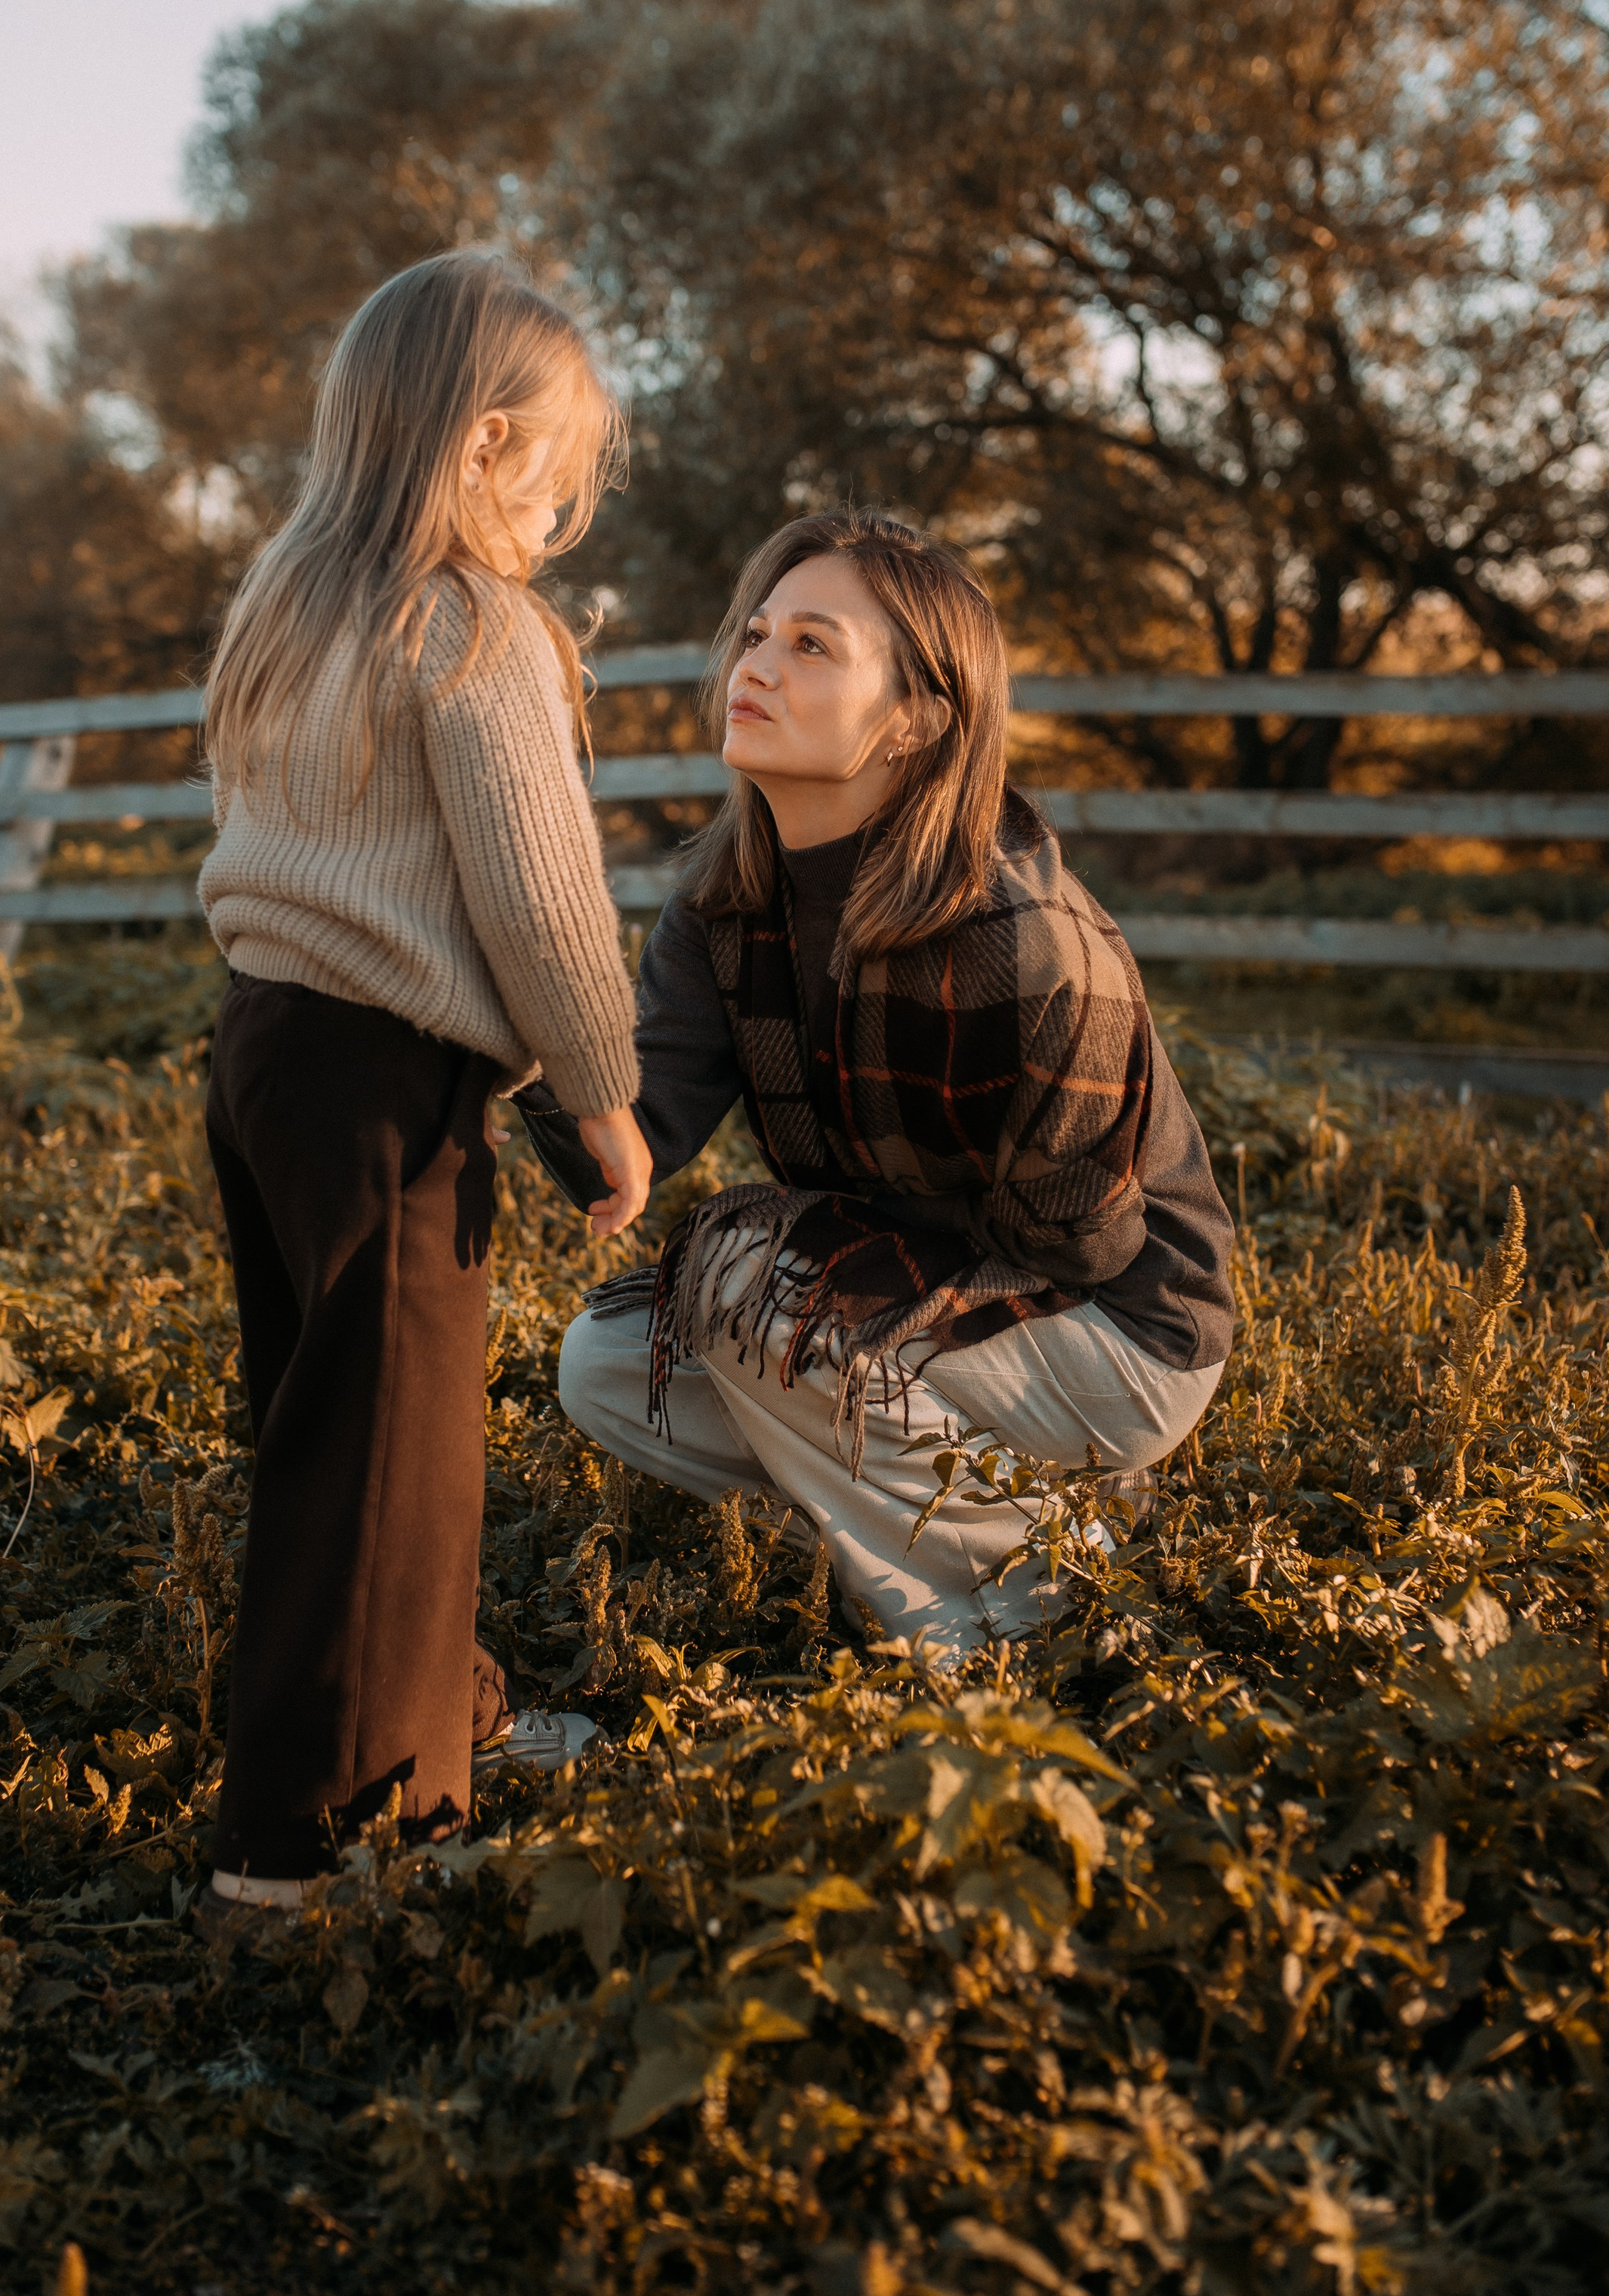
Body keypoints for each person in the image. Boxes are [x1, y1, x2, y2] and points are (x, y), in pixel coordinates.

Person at [525, 509, 1234, 1656]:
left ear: (915, 719)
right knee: (606, 1368)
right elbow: (635, 1126)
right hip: (911, 1310)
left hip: (1119, 1338)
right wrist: (502, 1010)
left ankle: (1037, 1622)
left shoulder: (1026, 938)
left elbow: (1083, 1250)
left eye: (813, 645)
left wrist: (826, 1280)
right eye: (757, 634)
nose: (755, 664)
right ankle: (1007, 1520)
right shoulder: (722, 909)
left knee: (753, 1286)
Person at [193, 252, 650, 1931]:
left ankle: (440, 1707)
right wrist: (597, 1089)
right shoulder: (470, 625)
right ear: (482, 444)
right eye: (556, 477)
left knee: (326, 1417)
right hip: (382, 1084)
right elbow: (535, 895)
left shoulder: (292, 608)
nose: (560, 517)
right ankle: (298, 1859)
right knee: (388, 1457)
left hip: (261, 1048)